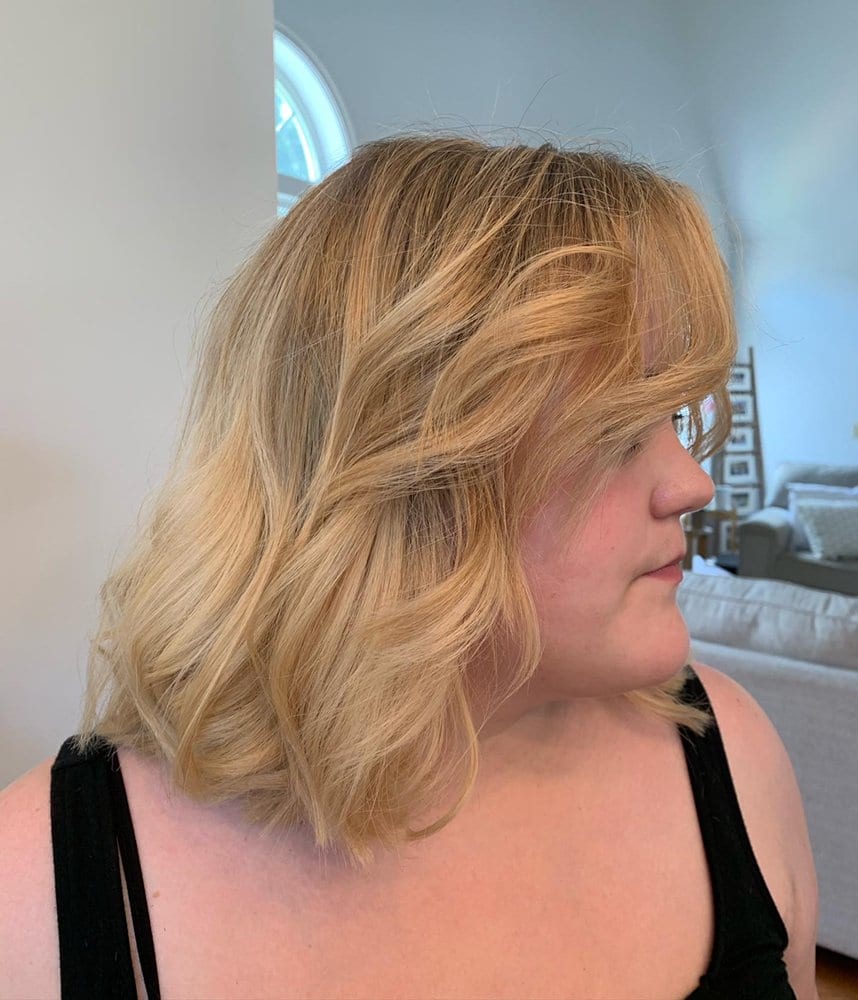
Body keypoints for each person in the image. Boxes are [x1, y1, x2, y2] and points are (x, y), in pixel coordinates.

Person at [0, 132, 818, 999]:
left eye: (673, 419)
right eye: (615, 431)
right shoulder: (39, 891)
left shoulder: (728, 751)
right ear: (405, 476)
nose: (693, 484)